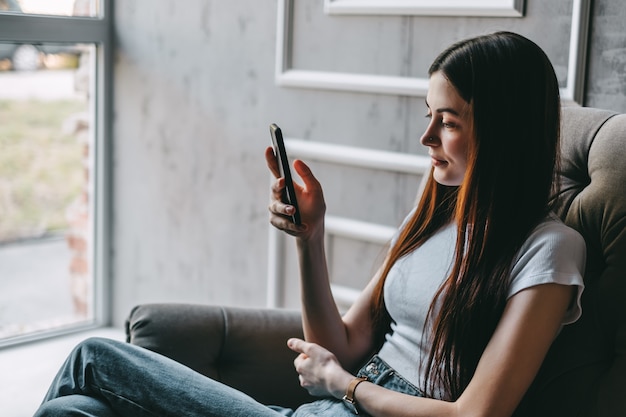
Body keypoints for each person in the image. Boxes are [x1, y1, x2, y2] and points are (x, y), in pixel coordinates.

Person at [34, 31, 585, 417]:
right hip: (326, 407)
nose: (426, 139)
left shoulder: (549, 250)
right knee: (73, 409)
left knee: (92, 358)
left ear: (502, 131)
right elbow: (341, 344)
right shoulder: (434, 218)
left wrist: (346, 387)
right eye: (428, 118)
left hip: (351, 407)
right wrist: (309, 239)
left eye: (448, 123)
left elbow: (476, 414)